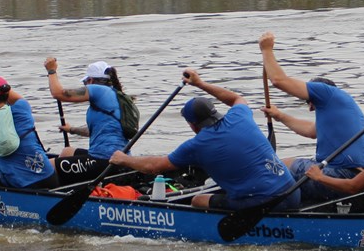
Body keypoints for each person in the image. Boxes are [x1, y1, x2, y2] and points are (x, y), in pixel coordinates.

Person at [108, 68, 297, 211]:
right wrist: (200, 83)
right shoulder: (239, 115)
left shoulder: (197, 145)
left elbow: (154, 167)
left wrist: (124, 159)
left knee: (198, 200)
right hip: (292, 192)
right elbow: (235, 98)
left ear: (192, 125)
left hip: (269, 203)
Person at [257, 31, 364, 204]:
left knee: (275, 168)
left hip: (343, 176)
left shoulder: (326, 92)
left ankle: (259, 202)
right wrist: (280, 116)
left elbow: (278, 80)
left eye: (308, 100)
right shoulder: (340, 108)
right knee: (285, 166)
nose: (310, 108)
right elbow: (312, 131)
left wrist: (266, 50)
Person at [44, 58, 130, 163]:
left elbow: (58, 94)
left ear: (91, 80)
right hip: (122, 157)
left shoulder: (98, 90)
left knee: (48, 167)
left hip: (103, 159)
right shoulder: (116, 95)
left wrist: (51, 71)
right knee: (67, 152)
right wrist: (72, 129)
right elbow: (97, 131)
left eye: (85, 82)